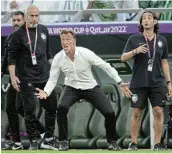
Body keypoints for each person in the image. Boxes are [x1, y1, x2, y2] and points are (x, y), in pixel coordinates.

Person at [35, 29, 132, 151]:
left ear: (74, 41)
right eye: (62, 40)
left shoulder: (85, 53)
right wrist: (46, 91)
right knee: (61, 108)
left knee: (109, 113)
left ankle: (111, 141)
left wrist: (119, 81)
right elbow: (53, 79)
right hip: (71, 88)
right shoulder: (58, 58)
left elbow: (105, 66)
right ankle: (63, 141)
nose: (65, 42)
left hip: (90, 87)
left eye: (68, 39)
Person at [8, 5, 58, 150]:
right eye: (31, 16)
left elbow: (48, 53)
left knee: (51, 108)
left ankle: (48, 138)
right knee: (29, 111)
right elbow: (11, 58)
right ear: (26, 16)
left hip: (44, 77)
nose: (34, 18)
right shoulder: (18, 35)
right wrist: (12, 77)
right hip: (27, 78)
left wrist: (55, 71)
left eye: (37, 16)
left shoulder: (43, 30)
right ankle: (34, 141)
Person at [121, 11, 172, 150]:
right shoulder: (133, 39)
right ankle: (134, 142)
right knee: (137, 112)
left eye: (150, 18)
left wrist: (169, 82)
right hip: (138, 81)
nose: (146, 20)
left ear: (155, 22)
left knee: (158, 111)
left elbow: (164, 63)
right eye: (144, 18)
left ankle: (157, 143)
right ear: (141, 23)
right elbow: (123, 58)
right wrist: (135, 51)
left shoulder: (162, 40)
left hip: (157, 82)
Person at [1, 11, 45, 150]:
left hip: (25, 78)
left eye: (18, 20)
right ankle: (17, 142)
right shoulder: (10, 38)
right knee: (10, 108)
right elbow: (7, 58)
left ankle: (42, 133)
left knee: (21, 108)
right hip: (13, 78)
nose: (15, 23)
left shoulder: (28, 37)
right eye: (13, 20)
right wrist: (2, 73)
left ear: (24, 20)